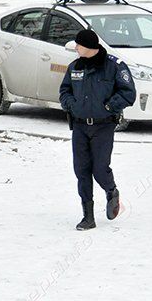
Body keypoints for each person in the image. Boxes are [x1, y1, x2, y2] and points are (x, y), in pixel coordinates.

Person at [59, 29, 136, 231]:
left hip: (103, 126)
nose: (75, 48)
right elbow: (64, 91)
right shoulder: (74, 67)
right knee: (81, 171)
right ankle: (88, 217)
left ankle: (111, 191)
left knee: (100, 169)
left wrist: (110, 107)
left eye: (78, 44)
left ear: (89, 46)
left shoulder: (113, 66)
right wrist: (70, 104)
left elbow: (128, 93)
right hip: (79, 126)